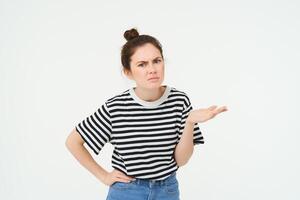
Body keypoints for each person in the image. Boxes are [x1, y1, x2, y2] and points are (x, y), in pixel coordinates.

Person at [65, 28, 228, 200]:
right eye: (142, 64)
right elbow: (73, 141)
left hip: (167, 190)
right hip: (127, 191)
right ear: (128, 72)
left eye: (156, 61)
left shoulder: (179, 100)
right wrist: (104, 176)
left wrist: (189, 122)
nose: (152, 69)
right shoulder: (116, 107)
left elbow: (181, 161)